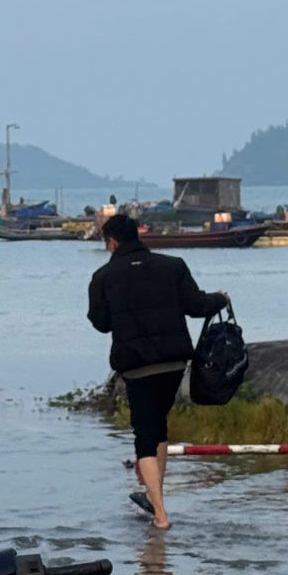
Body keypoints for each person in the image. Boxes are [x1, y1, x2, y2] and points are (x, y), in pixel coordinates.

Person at [88, 213, 228, 530]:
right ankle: (154, 497)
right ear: (137, 235)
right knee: (159, 428)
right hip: (174, 363)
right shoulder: (173, 266)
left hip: (137, 367)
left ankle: (161, 516)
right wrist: (221, 298)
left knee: (144, 435)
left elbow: (100, 323)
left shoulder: (103, 277)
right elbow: (197, 306)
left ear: (111, 242)